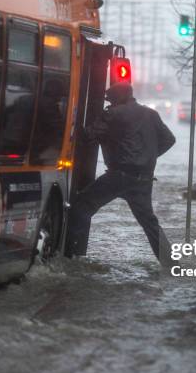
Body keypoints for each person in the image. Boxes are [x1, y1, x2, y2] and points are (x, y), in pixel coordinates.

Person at [67, 82, 176, 267]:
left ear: (115, 99)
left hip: (118, 176)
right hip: (144, 178)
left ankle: (70, 259)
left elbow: (87, 136)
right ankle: (172, 266)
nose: (108, 103)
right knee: (150, 224)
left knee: (81, 207)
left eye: (109, 100)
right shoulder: (151, 113)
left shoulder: (113, 114)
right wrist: (147, 156)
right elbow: (169, 139)